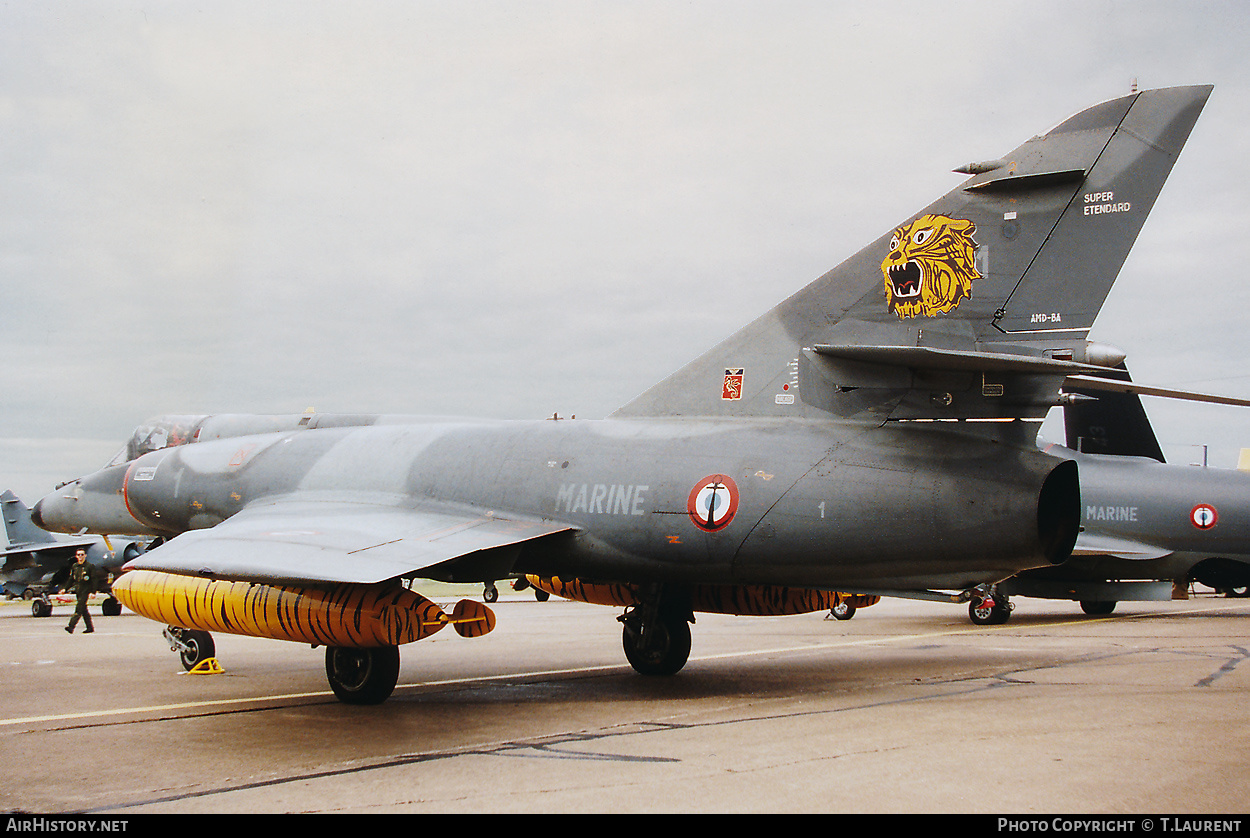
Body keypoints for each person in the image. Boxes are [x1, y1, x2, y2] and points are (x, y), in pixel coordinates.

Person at [65, 549, 95, 634]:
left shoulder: (89, 566)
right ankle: (90, 627)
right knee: (84, 610)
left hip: (86, 590)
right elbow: (71, 579)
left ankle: (71, 626)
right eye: (79, 555)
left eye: (82, 555)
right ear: (76, 556)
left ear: (85, 555)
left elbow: (94, 580)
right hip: (78, 590)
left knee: (78, 609)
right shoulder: (75, 566)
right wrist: (65, 588)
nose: (80, 557)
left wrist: (93, 592)